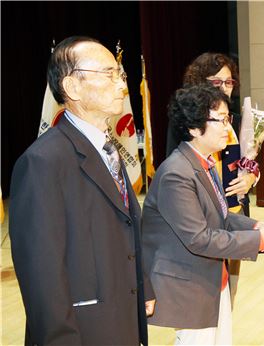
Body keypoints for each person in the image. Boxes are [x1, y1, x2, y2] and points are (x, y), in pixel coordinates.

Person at [9, 36, 155, 345]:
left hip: (123, 318)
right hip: (84, 331)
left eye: (121, 74)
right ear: (72, 87)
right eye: (109, 74)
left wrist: (144, 287)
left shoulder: (108, 149)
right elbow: (41, 273)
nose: (122, 85)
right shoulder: (43, 162)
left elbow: (128, 226)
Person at [142, 85, 264, 345]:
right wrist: (261, 239)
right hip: (190, 283)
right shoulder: (177, 173)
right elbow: (199, 238)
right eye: (221, 120)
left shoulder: (203, 162)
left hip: (213, 278)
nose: (228, 128)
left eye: (229, 119)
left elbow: (221, 216)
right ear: (194, 128)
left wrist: (256, 226)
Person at [165, 53, 258, 304]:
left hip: (234, 214)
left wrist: (251, 176)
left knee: (229, 294)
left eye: (229, 82)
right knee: (203, 298)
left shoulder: (237, 120)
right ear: (199, 81)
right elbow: (175, 168)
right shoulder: (186, 121)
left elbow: (249, 160)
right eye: (217, 82)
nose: (225, 88)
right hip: (200, 219)